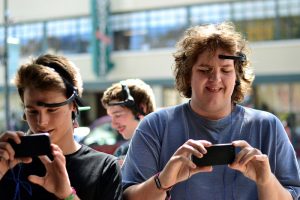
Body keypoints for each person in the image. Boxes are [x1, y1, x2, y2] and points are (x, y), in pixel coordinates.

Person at [121, 22, 300, 200]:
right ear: (187, 75)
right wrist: (163, 181)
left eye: (226, 70)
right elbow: (127, 196)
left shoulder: (268, 126)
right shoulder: (155, 126)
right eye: (205, 70)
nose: (215, 78)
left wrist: (266, 181)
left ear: (237, 76)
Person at [0, 54, 123, 199]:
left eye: (52, 109)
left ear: (73, 106)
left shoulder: (103, 168)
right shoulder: (9, 163)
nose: (42, 121)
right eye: (32, 111)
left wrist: (67, 195)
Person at [101, 79, 156, 165]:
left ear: (142, 109)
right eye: (111, 117)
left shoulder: (169, 147)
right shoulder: (122, 152)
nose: (113, 125)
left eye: (118, 115)